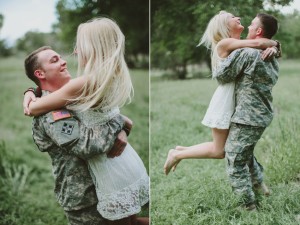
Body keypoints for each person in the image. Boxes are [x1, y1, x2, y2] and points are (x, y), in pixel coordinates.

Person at [24, 17, 149, 225]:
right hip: (84, 196)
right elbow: (89, 144)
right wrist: (121, 123)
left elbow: (101, 117)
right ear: (40, 73)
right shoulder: (51, 113)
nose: (65, 60)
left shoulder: (77, 90)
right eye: (55, 60)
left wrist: (120, 123)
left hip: (107, 183)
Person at [163, 11, 280, 176]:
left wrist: (273, 48)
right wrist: (273, 44)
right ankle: (177, 154)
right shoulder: (226, 43)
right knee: (220, 151)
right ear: (226, 26)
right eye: (233, 18)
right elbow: (257, 44)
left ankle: (182, 151)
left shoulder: (239, 43)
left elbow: (258, 45)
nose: (239, 18)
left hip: (237, 101)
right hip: (225, 99)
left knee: (230, 147)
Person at [213, 13, 279, 210]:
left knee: (235, 158)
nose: (248, 27)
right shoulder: (270, 53)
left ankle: (248, 207)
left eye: (251, 25)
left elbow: (221, 75)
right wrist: (274, 45)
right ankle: (260, 186)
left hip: (247, 117)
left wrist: (224, 52)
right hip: (262, 113)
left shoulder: (247, 53)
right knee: (245, 153)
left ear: (258, 31)